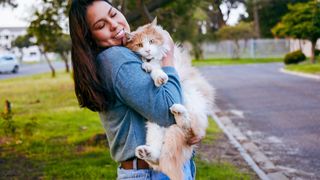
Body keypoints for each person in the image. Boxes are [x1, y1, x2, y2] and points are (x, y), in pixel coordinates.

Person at [68, 0, 199, 179]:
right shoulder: (116, 58)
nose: (114, 25)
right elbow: (168, 112)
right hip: (151, 172)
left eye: (113, 14)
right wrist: (168, 57)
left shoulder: (120, 55)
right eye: (101, 25)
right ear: (90, 37)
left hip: (160, 167)